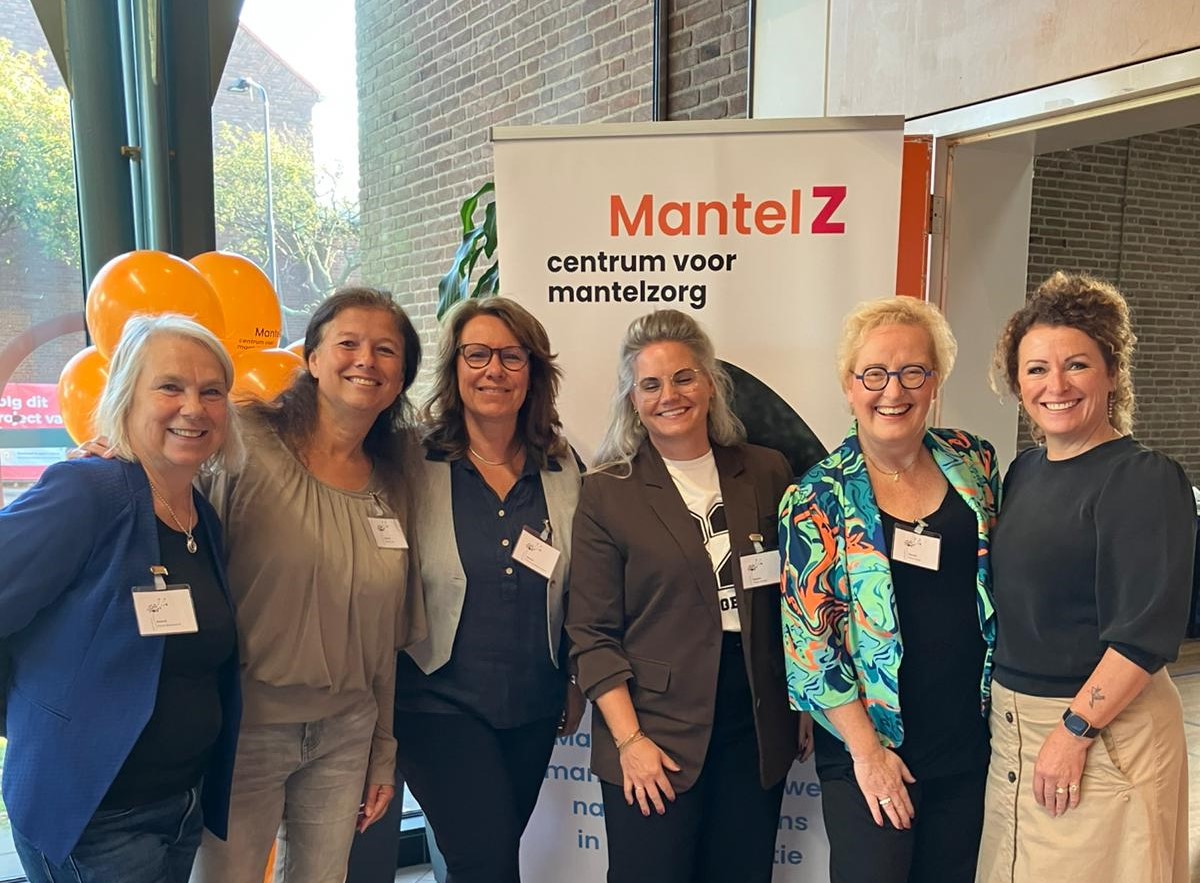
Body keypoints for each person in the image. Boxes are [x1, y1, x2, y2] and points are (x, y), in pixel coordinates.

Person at [191, 287, 426, 883]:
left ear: (400, 379)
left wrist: (382, 751)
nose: (366, 360)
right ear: (313, 358)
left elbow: (383, 638)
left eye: (386, 350)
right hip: (245, 729)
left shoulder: (395, 480)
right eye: (348, 343)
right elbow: (163, 503)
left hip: (346, 732)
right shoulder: (243, 442)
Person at [566, 309, 807, 883]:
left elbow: (795, 599)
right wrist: (630, 741)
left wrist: (800, 701)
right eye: (650, 384)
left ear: (710, 384)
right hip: (654, 726)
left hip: (754, 722)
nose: (669, 396)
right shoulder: (607, 491)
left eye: (683, 378)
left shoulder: (767, 472)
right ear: (632, 400)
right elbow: (591, 635)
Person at [0, 315, 244, 883]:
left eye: (212, 392)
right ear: (127, 396)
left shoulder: (200, 516)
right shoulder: (88, 492)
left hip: (180, 803)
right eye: (170, 387)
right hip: (96, 817)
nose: (194, 408)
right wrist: (28, 715)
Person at [976, 272, 1193, 883]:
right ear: (1017, 383)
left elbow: (1143, 635)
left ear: (1113, 372)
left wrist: (1074, 731)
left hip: (1102, 731)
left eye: (1077, 365)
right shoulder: (1023, 471)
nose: (1057, 385)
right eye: (1036, 369)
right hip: (1015, 731)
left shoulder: (1143, 479)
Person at [779, 297, 998, 883]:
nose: (893, 391)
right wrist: (869, 756)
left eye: (912, 372)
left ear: (935, 381)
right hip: (871, 748)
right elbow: (810, 648)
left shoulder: (974, 462)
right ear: (849, 386)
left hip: (964, 739)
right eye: (873, 374)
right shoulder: (816, 498)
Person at [393, 296, 583, 883]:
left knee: (483, 862)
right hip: (436, 698)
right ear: (454, 367)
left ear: (533, 372)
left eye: (511, 356)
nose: (493, 370)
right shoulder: (410, 458)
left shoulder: (561, 465)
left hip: (533, 704)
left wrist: (576, 677)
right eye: (476, 354)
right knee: (487, 865)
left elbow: (584, 583)